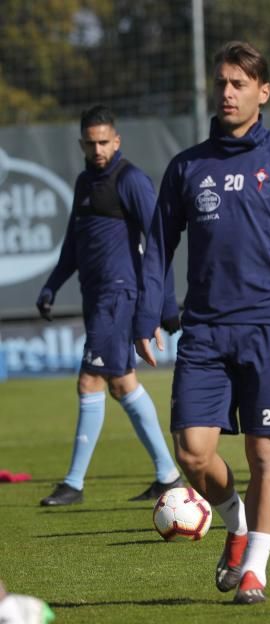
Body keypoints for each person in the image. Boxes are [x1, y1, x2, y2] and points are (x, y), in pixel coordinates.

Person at [134, 41, 270, 603]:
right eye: (221, 82)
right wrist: (149, 314)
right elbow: (158, 245)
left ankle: (255, 571)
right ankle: (237, 525)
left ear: (262, 93)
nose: (227, 92)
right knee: (192, 450)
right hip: (206, 330)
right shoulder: (187, 166)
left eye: (239, 84)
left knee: (264, 453)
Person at [35, 105, 182, 507]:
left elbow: (160, 241)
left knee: (90, 381)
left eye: (105, 142)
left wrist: (165, 304)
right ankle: (168, 475)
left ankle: (74, 483)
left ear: (117, 141)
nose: (98, 149)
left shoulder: (131, 180)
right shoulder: (85, 181)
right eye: (91, 142)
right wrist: (51, 285)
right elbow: (73, 244)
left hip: (120, 296)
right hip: (96, 296)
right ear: (82, 143)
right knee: (122, 384)